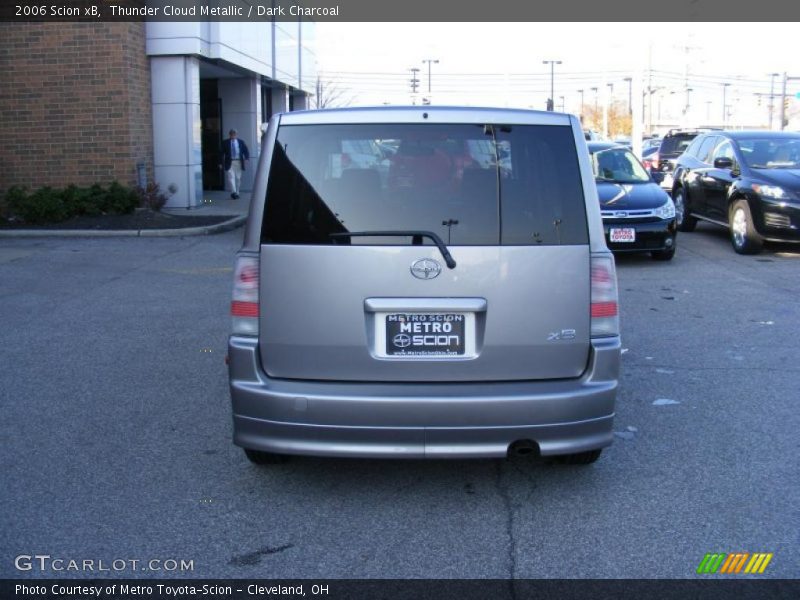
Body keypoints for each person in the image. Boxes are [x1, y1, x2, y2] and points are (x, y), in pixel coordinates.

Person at [221, 129, 249, 199]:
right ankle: (233, 192)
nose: (233, 135)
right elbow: (221, 153)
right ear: (229, 135)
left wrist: (246, 158)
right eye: (231, 134)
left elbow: (246, 150)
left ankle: (237, 192)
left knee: (238, 178)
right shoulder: (225, 142)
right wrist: (220, 163)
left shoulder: (241, 142)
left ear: (236, 135)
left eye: (234, 134)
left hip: (238, 162)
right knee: (231, 178)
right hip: (229, 162)